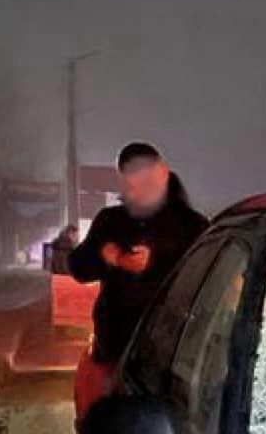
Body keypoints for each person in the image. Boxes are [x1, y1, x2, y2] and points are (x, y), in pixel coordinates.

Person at [68, 142, 207, 367]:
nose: (137, 193)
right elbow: (78, 267)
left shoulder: (193, 225)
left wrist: (155, 260)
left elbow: (207, 278)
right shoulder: (111, 220)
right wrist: (107, 257)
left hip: (171, 356)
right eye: (130, 185)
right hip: (115, 351)